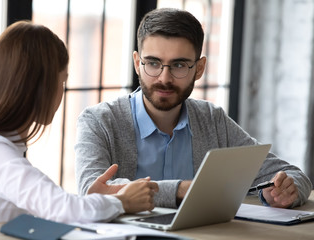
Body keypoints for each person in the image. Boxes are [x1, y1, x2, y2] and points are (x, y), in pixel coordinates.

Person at [74, 8, 312, 209]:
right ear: (137, 63)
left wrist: (286, 191)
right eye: (153, 63)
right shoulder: (98, 121)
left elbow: (294, 175)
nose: (164, 78)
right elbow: (92, 191)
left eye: (178, 65)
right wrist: (182, 190)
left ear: (199, 68)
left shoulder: (212, 120)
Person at [0, 21, 159, 228]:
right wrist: (123, 202)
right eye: (61, 82)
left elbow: (48, 205)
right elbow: (61, 208)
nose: (61, 92)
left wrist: (96, 198)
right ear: (39, 88)